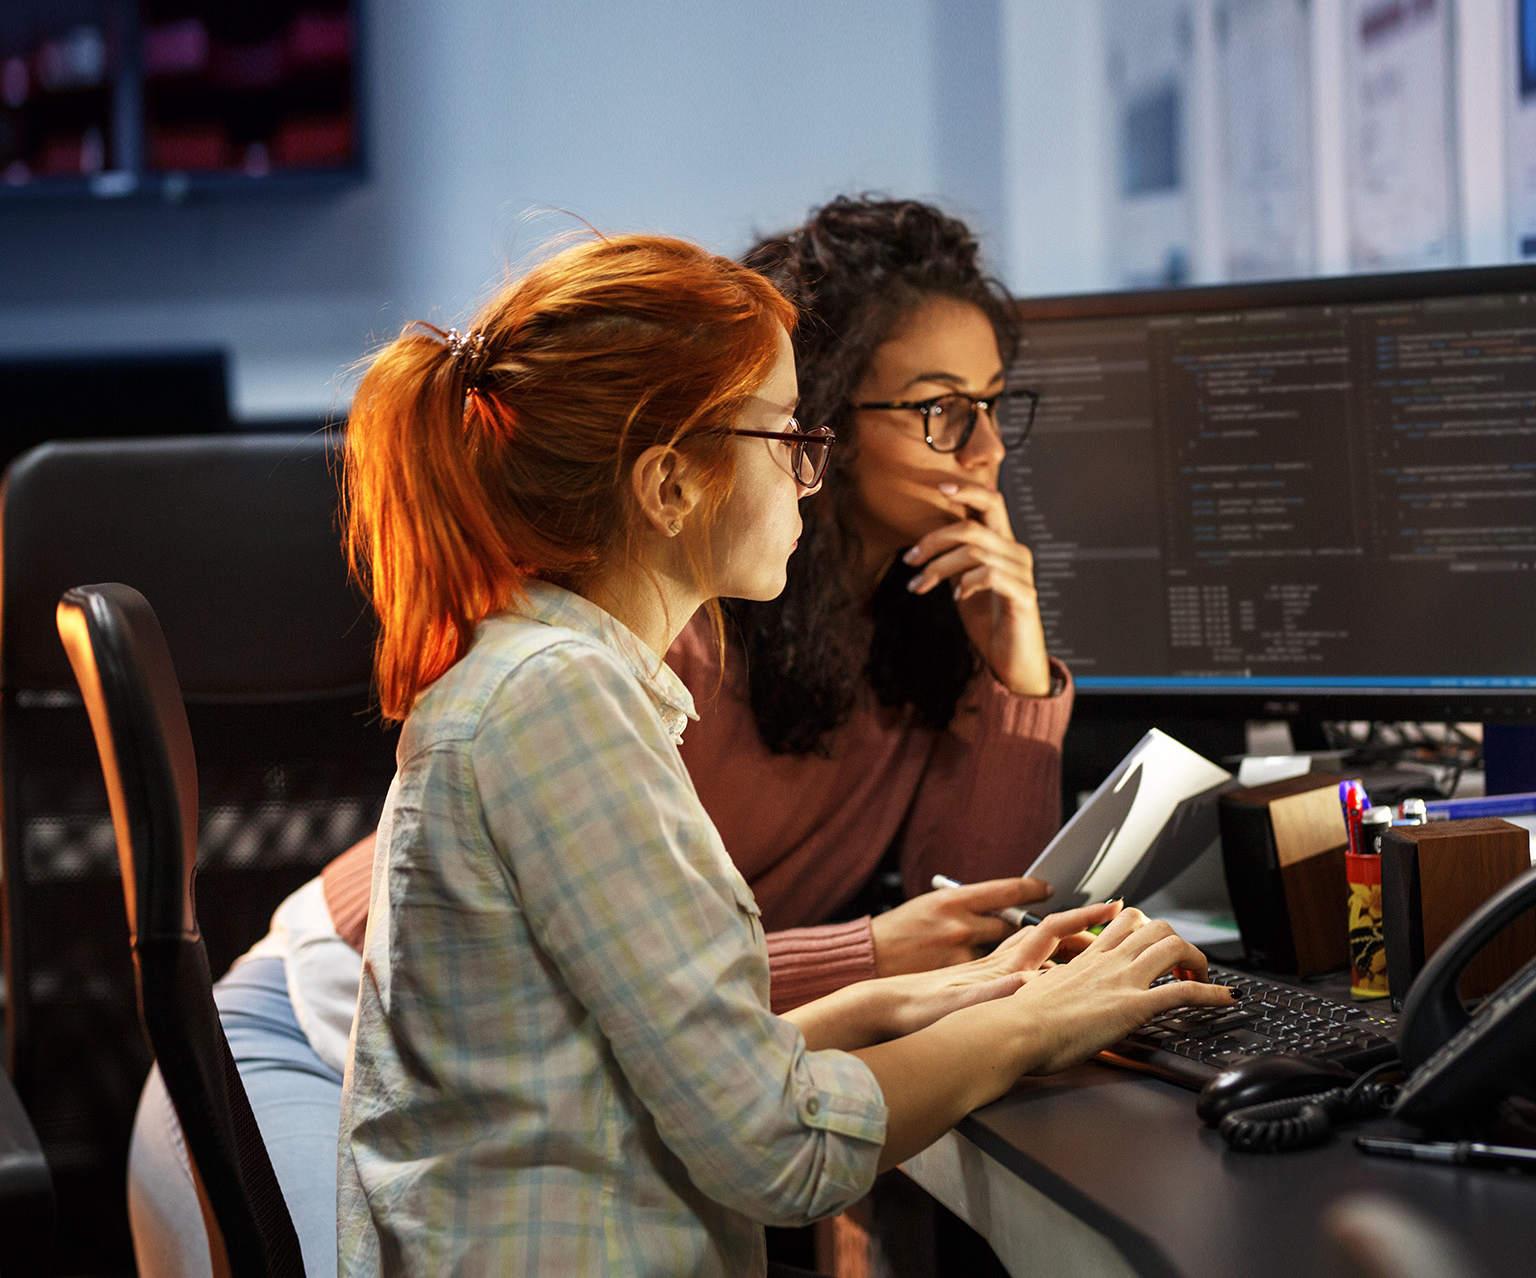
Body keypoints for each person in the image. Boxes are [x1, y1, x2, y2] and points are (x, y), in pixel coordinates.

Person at [124, 199, 1089, 1276]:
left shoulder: (843, 625)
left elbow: (964, 920)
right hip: (312, 1029)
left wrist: (1013, 677)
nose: (988, 450)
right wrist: (907, 979)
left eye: (996, 405)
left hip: (529, 1097)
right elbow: (699, 1055)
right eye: (938, 409)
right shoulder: (613, 663)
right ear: (681, 478)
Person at [328, 233, 1230, 1274]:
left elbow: (625, 1052)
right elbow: (780, 1148)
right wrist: (1035, 1028)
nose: (810, 476)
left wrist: (924, 998)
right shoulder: (561, 700)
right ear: (669, 488)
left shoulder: (564, 676)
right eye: (788, 438)